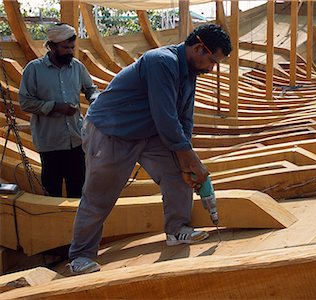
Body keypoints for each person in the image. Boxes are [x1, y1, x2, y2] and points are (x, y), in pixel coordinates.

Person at [68, 24, 232, 275]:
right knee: (99, 195)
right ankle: (80, 256)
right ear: (199, 48)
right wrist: (190, 157)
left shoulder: (190, 72)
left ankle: (178, 229)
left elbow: (184, 118)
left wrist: (187, 160)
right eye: (211, 61)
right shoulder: (161, 61)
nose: (211, 68)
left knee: (178, 172)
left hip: (148, 131)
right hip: (112, 131)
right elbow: (165, 116)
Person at [19, 23, 99, 198]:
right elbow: (25, 102)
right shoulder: (34, 69)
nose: (70, 51)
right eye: (65, 48)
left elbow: (91, 89)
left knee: (78, 189)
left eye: (71, 47)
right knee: (52, 189)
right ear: (52, 46)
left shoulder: (77, 67)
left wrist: (95, 101)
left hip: (76, 140)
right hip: (50, 142)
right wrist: (55, 107)